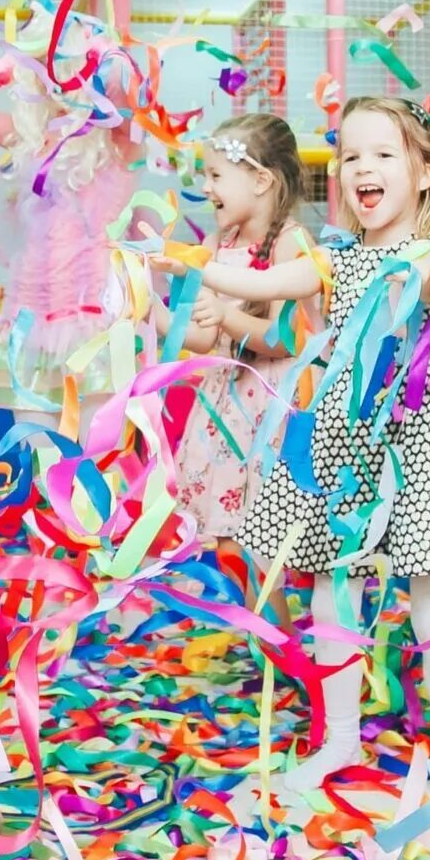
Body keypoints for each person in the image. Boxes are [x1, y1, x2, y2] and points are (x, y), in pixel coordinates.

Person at [156, 96, 430, 796]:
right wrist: (181, 262)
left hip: (427, 439)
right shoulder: (337, 256)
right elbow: (261, 283)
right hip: (345, 439)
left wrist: (402, 273)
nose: (362, 169)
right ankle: (340, 741)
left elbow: (416, 284)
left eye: (383, 154)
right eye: (350, 156)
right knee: (331, 589)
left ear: (425, 174)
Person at [0, 16, 141, 425]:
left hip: (92, 320)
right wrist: (19, 57)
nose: (54, 81)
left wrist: (93, 45)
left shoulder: (113, 142)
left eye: (62, 68)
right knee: (42, 461)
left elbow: (130, 84)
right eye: (42, 70)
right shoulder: (27, 139)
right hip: (29, 320)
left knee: (95, 464)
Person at [153, 114, 308, 622]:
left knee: (263, 541)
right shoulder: (223, 246)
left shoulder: (291, 243)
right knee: (228, 537)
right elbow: (203, 338)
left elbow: (283, 338)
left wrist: (228, 315)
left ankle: (276, 641)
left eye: (217, 175)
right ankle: (263, 630)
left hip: (270, 409)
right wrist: (147, 309)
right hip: (224, 408)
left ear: (261, 180)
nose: (207, 187)